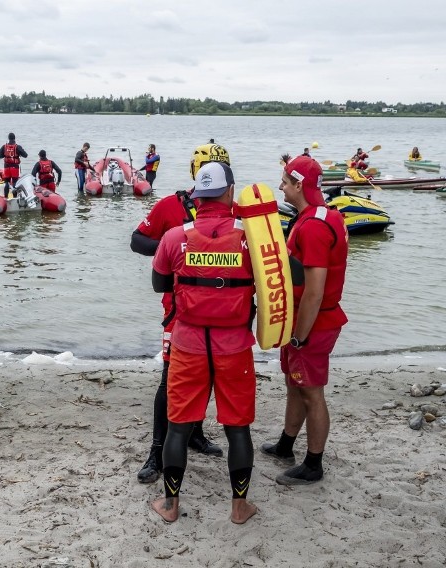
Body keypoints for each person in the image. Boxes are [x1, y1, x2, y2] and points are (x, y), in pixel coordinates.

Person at [150, 161, 258, 524]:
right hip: (234, 347)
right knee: (237, 427)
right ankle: (239, 506)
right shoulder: (252, 238)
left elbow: (160, 285)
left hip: (188, 346)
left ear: (197, 195)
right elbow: (283, 279)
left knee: (178, 427)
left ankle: (170, 505)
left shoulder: (174, 236)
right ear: (230, 193)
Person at [130, 143, 231, 485]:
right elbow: (136, 240)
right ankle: (157, 451)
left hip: (222, 316)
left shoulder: (239, 213)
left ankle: (195, 434)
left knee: (208, 379)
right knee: (169, 382)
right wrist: (173, 250)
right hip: (179, 314)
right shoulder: (170, 207)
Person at [262, 155, 348, 486]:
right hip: (305, 320)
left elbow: (314, 292)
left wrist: (299, 336)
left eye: (285, 181)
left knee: (311, 392)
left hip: (314, 322)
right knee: (294, 383)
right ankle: (286, 444)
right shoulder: (324, 215)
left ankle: (313, 464)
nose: (280, 186)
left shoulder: (312, 227)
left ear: (299, 185)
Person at [0, 133, 28, 198]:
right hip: (14, 167)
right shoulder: (17, 147)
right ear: (14, 138)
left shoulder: (4, 146)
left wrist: (6, 155)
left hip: (7, 167)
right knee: (15, 183)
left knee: (7, 183)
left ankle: (6, 197)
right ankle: (15, 197)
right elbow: (25, 155)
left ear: (8, 138)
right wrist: (19, 154)